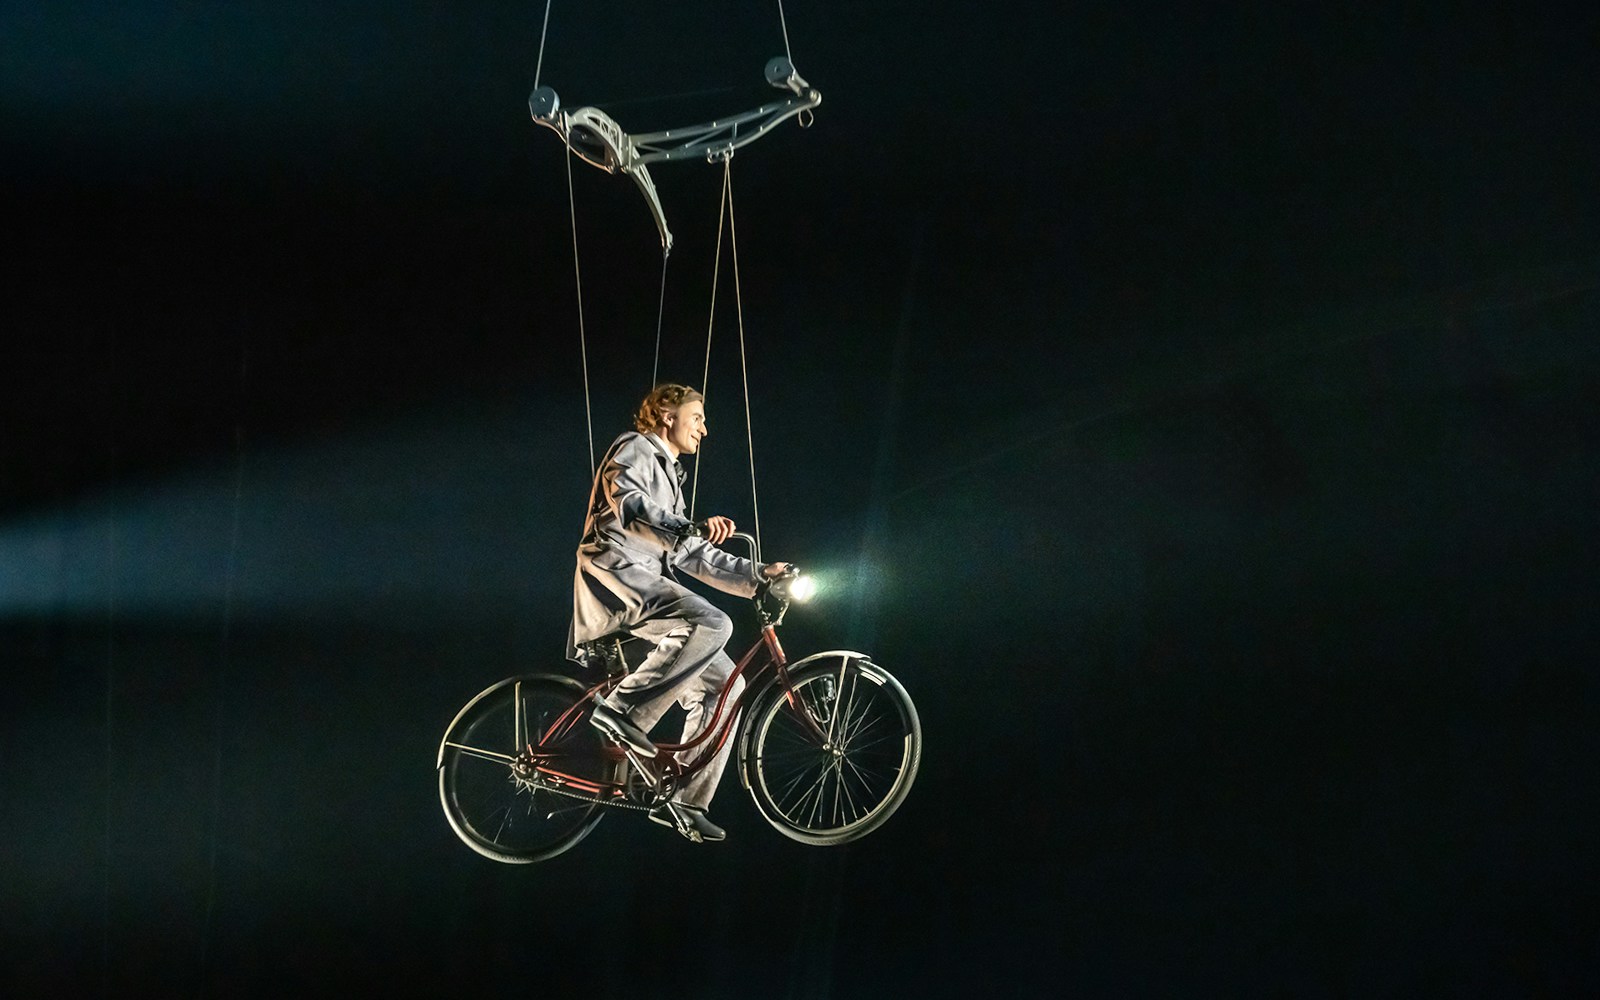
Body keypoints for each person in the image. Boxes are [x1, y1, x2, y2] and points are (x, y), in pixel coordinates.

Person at [567, 383, 789, 843]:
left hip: (645, 585)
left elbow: (692, 555)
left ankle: (684, 800)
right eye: (699, 418)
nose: (705, 430)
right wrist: (686, 527)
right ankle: (623, 710)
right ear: (667, 414)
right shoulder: (633, 448)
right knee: (713, 622)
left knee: (729, 684)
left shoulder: (672, 479)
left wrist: (759, 574)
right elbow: (630, 507)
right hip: (616, 573)